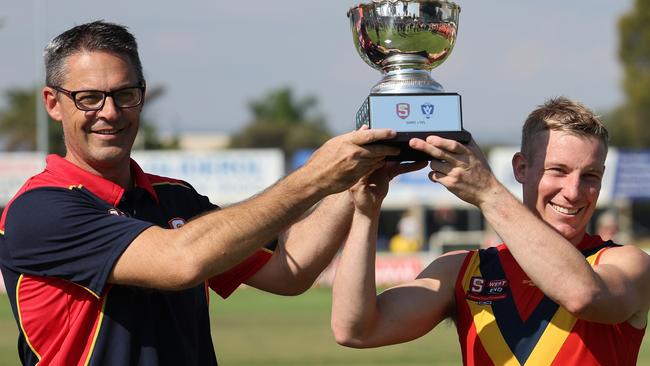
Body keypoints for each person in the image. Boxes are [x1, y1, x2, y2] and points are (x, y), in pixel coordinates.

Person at [0, 21, 406, 365]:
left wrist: (354, 182)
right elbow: (181, 261)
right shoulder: (40, 210)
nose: (109, 112)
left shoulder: (175, 198)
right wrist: (315, 176)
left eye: (125, 95)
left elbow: (289, 272)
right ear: (53, 104)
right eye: (88, 98)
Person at [331, 97, 650, 365]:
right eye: (558, 171)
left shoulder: (627, 264)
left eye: (590, 176)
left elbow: (581, 295)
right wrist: (365, 210)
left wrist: (487, 192)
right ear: (521, 168)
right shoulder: (463, 270)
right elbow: (355, 329)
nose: (574, 191)